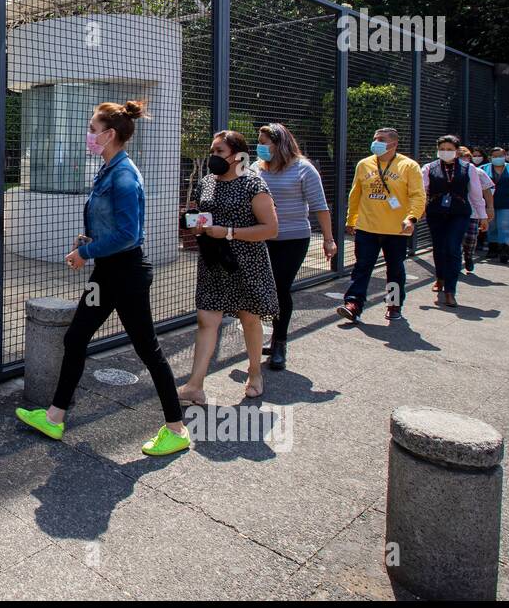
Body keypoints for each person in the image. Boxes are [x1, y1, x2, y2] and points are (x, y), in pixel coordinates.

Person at [15, 102, 189, 452]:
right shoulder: (109, 168)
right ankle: (53, 418)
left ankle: (177, 430)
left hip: (125, 275)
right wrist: (91, 242)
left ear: (109, 135)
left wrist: (85, 252)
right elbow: (112, 226)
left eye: (93, 129)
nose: (88, 135)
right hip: (108, 273)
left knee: (148, 349)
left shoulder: (123, 175)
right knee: (76, 337)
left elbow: (128, 234)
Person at [174, 130, 280, 404]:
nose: (213, 157)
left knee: (249, 318)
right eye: (212, 151)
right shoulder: (207, 182)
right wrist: (196, 225)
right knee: (206, 320)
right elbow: (200, 213)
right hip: (213, 261)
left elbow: (270, 228)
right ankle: (195, 385)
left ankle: (255, 371)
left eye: (219, 152)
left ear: (237, 155)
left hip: (246, 262)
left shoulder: (253, 185)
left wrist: (229, 232)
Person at [253, 122, 334, 370]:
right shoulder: (257, 167)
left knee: (280, 287)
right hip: (261, 237)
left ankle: (280, 343)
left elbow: (320, 206)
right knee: (260, 288)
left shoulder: (304, 169)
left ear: (279, 144)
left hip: (292, 238)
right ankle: (262, 338)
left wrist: (329, 240)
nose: (260, 146)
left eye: (264, 142)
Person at [337, 127, 425, 322]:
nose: (375, 142)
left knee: (394, 269)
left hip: (396, 230)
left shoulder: (408, 166)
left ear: (393, 144)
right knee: (362, 267)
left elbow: (418, 196)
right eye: (375, 138)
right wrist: (351, 220)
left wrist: (411, 218)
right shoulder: (364, 164)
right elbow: (355, 194)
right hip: (367, 228)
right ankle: (353, 304)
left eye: (381, 139)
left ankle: (393, 305)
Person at [420, 135, 487, 307]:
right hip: (436, 212)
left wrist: (482, 216)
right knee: (439, 247)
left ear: (456, 151)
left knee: (453, 247)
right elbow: (421, 190)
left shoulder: (468, 168)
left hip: (459, 212)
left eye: (449, 149)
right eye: (442, 149)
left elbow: (476, 193)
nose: (445, 152)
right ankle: (440, 277)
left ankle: (451, 290)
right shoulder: (429, 168)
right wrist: (418, 210)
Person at [458, 145, 495, 272]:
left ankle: (468, 256)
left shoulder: (477, 172)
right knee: (455, 240)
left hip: (473, 212)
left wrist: (489, 208)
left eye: (467, 156)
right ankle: (456, 263)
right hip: (455, 212)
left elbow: (487, 191)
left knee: (470, 239)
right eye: (461, 156)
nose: (464, 159)